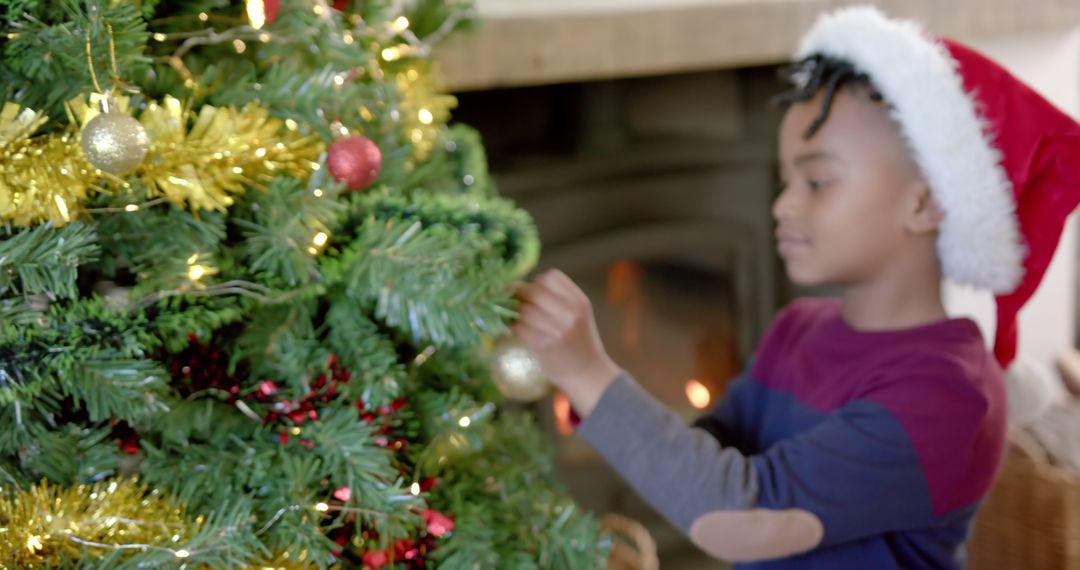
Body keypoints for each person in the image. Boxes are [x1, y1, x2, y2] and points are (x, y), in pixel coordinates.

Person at [511, 5, 1080, 568]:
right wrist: (593, 396)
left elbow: (740, 518)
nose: (783, 205)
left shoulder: (948, 395)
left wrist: (589, 372)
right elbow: (713, 453)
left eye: (817, 180)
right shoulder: (798, 327)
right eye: (785, 180)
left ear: (925, 201)